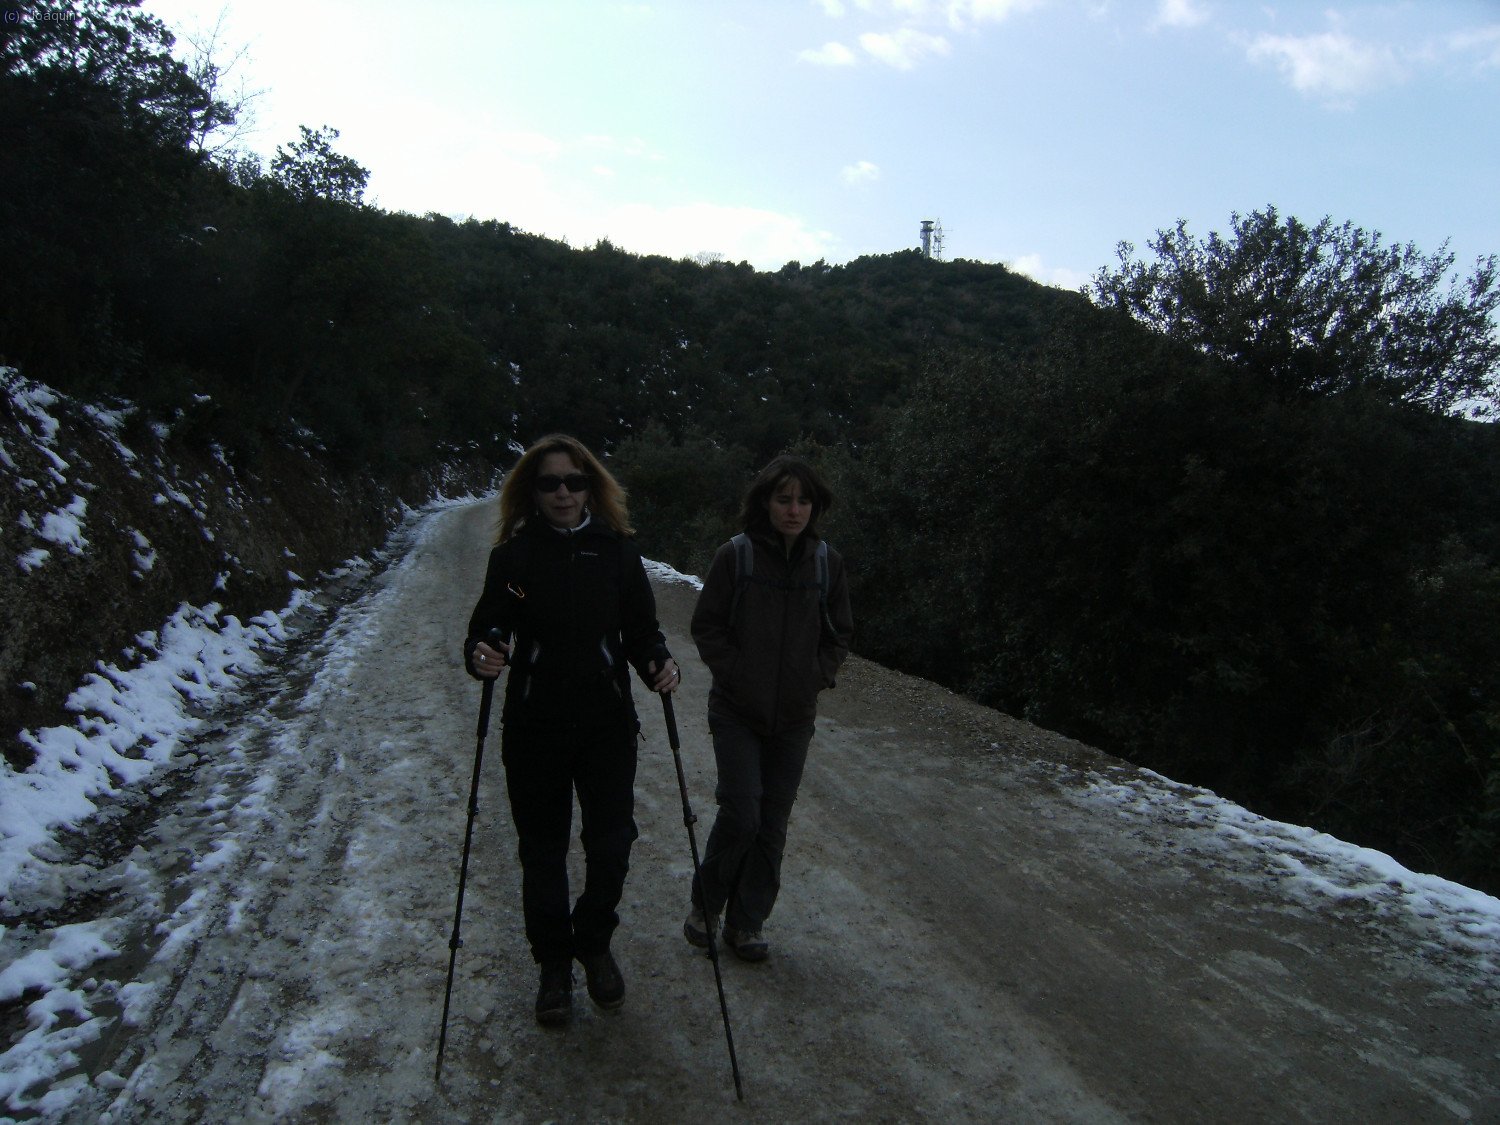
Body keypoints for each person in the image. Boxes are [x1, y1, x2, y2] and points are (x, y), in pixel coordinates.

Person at [464, 433, 679, 1027]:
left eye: (574, 481)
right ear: (532, 492)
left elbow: (642, 632)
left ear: (592, 488)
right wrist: (482, 653)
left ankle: (593, 940)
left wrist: (661, 663)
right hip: (534, 727)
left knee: (612, 844)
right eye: (550, 482)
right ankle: (553, 965)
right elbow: (489, 626)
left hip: (607, 726)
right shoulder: (515, 560)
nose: (563, 492)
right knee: (543, 852)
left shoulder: (616, 554)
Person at [685, 454, 853, 961]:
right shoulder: (735, 557)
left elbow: (839, 632)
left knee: (773, 823)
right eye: (784, 499)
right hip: (736, 711)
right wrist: (736, 674)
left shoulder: (826, 562)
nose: (794, 509)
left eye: (803, 500)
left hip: (795, 718)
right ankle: (706, 905)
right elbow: (707, 626)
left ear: (814, 506)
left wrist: (816, 677)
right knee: (742, 813)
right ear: (765, 501)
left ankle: (747, 922)